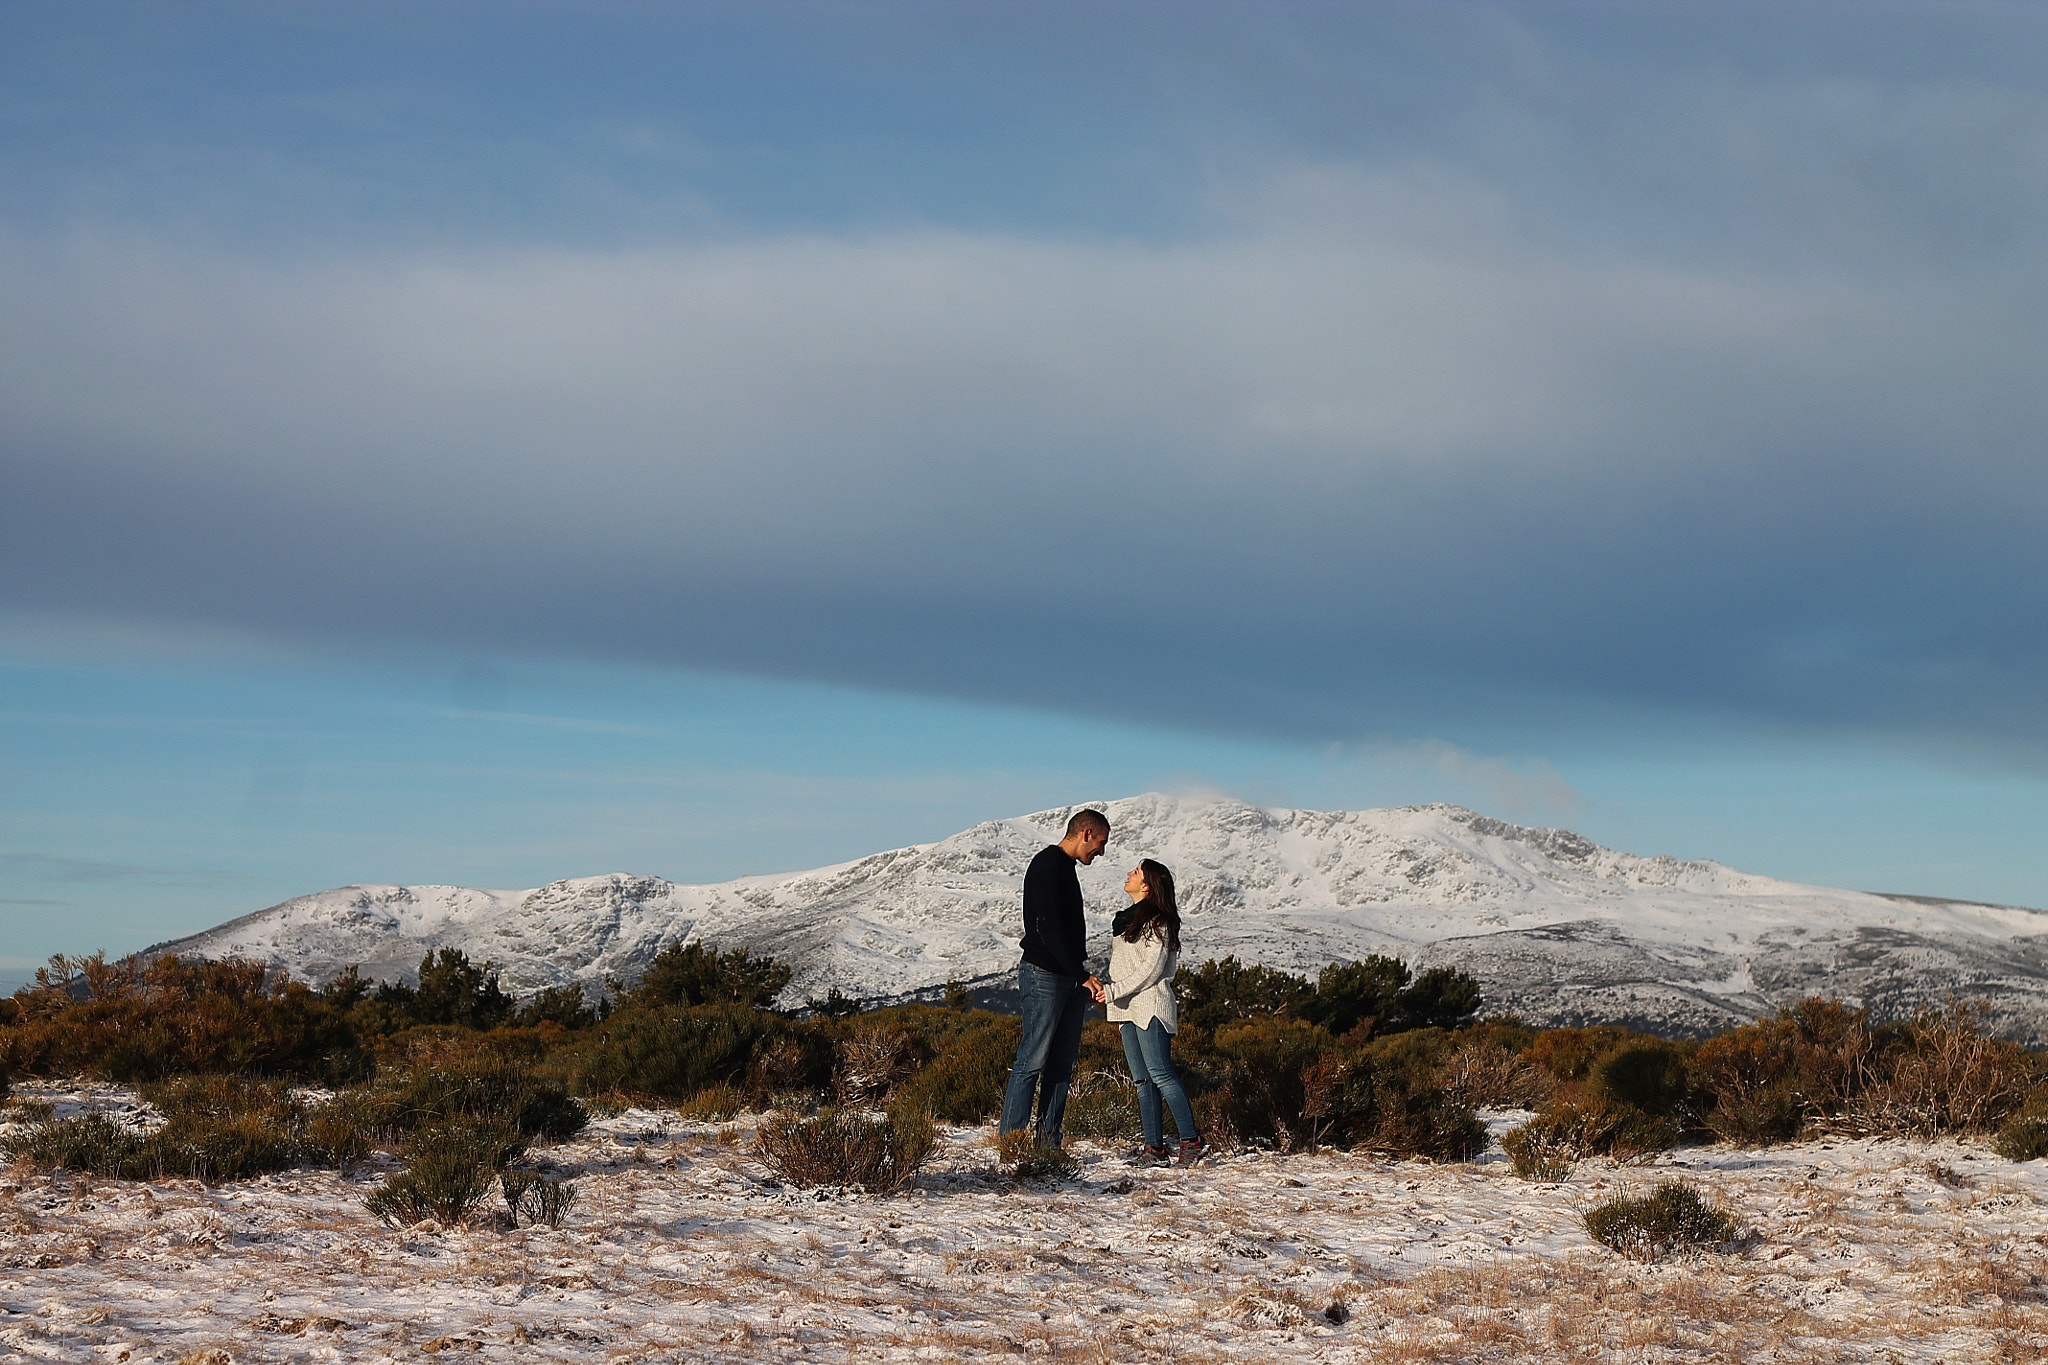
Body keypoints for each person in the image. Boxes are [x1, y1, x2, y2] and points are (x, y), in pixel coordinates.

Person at [999, 808, 1110, 1149]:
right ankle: (1012, 1144)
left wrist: (1078, 978)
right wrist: (1080, 973)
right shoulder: (1048, 866)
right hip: (1044, 975)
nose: (1102, 853)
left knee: (1061, 1066)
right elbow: (1046, 928)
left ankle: (1049, 1145)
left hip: (1068, 979)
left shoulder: (1064, 868)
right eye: (1101, 843)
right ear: (1086, 833)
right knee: (1032, 1061)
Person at [1106, 857, 1206, 1167]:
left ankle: (1193, 1140)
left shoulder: (1160, 921)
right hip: (1126, 1007)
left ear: (1147, 885)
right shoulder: (1126, 920)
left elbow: (1151, 970)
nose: (1128, 874)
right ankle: (1155, 1149)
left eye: (1135, 872)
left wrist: (1110, 991)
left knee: (1161, 1074)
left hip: (1151, 1004)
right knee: (1142, 1080)